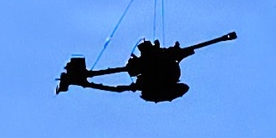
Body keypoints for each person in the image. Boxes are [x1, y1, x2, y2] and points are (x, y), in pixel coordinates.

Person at [55, 32, 236, 103]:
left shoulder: (163, 60)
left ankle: (79, 80)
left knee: (119, 88)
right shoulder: (157, 60)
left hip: (154, 84)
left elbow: (182, 54)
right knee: (118, 87)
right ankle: (78, 80)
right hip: (154, 84)